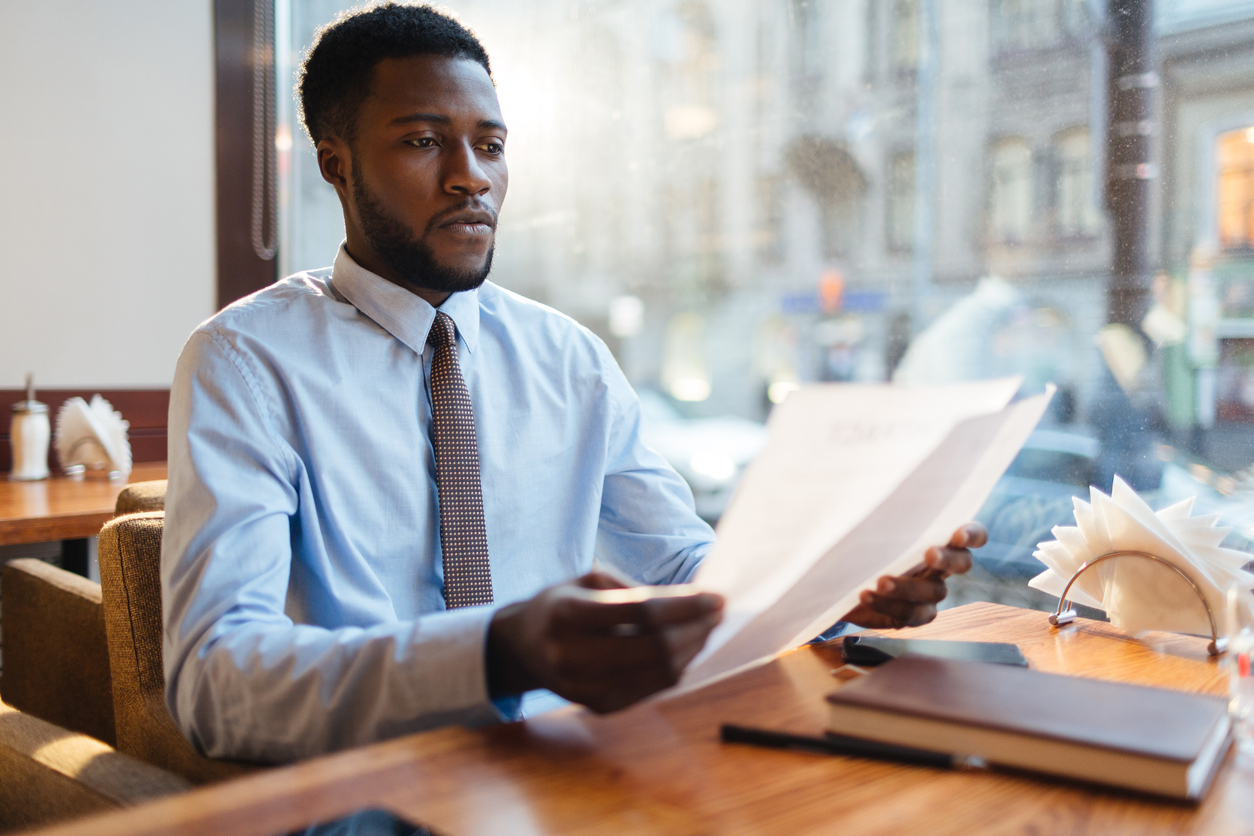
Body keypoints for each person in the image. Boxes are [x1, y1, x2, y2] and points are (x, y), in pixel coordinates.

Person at [162, 3, 983, 764]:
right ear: (334, 166)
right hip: (370, 799)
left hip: (573, 777)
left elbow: (685, 569)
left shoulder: (569, 358)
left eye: (490, 145)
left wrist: (844, 592)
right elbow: (215, 682)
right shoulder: (246, 363)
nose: (470, 177)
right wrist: (497, 651)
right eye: (422, 141)